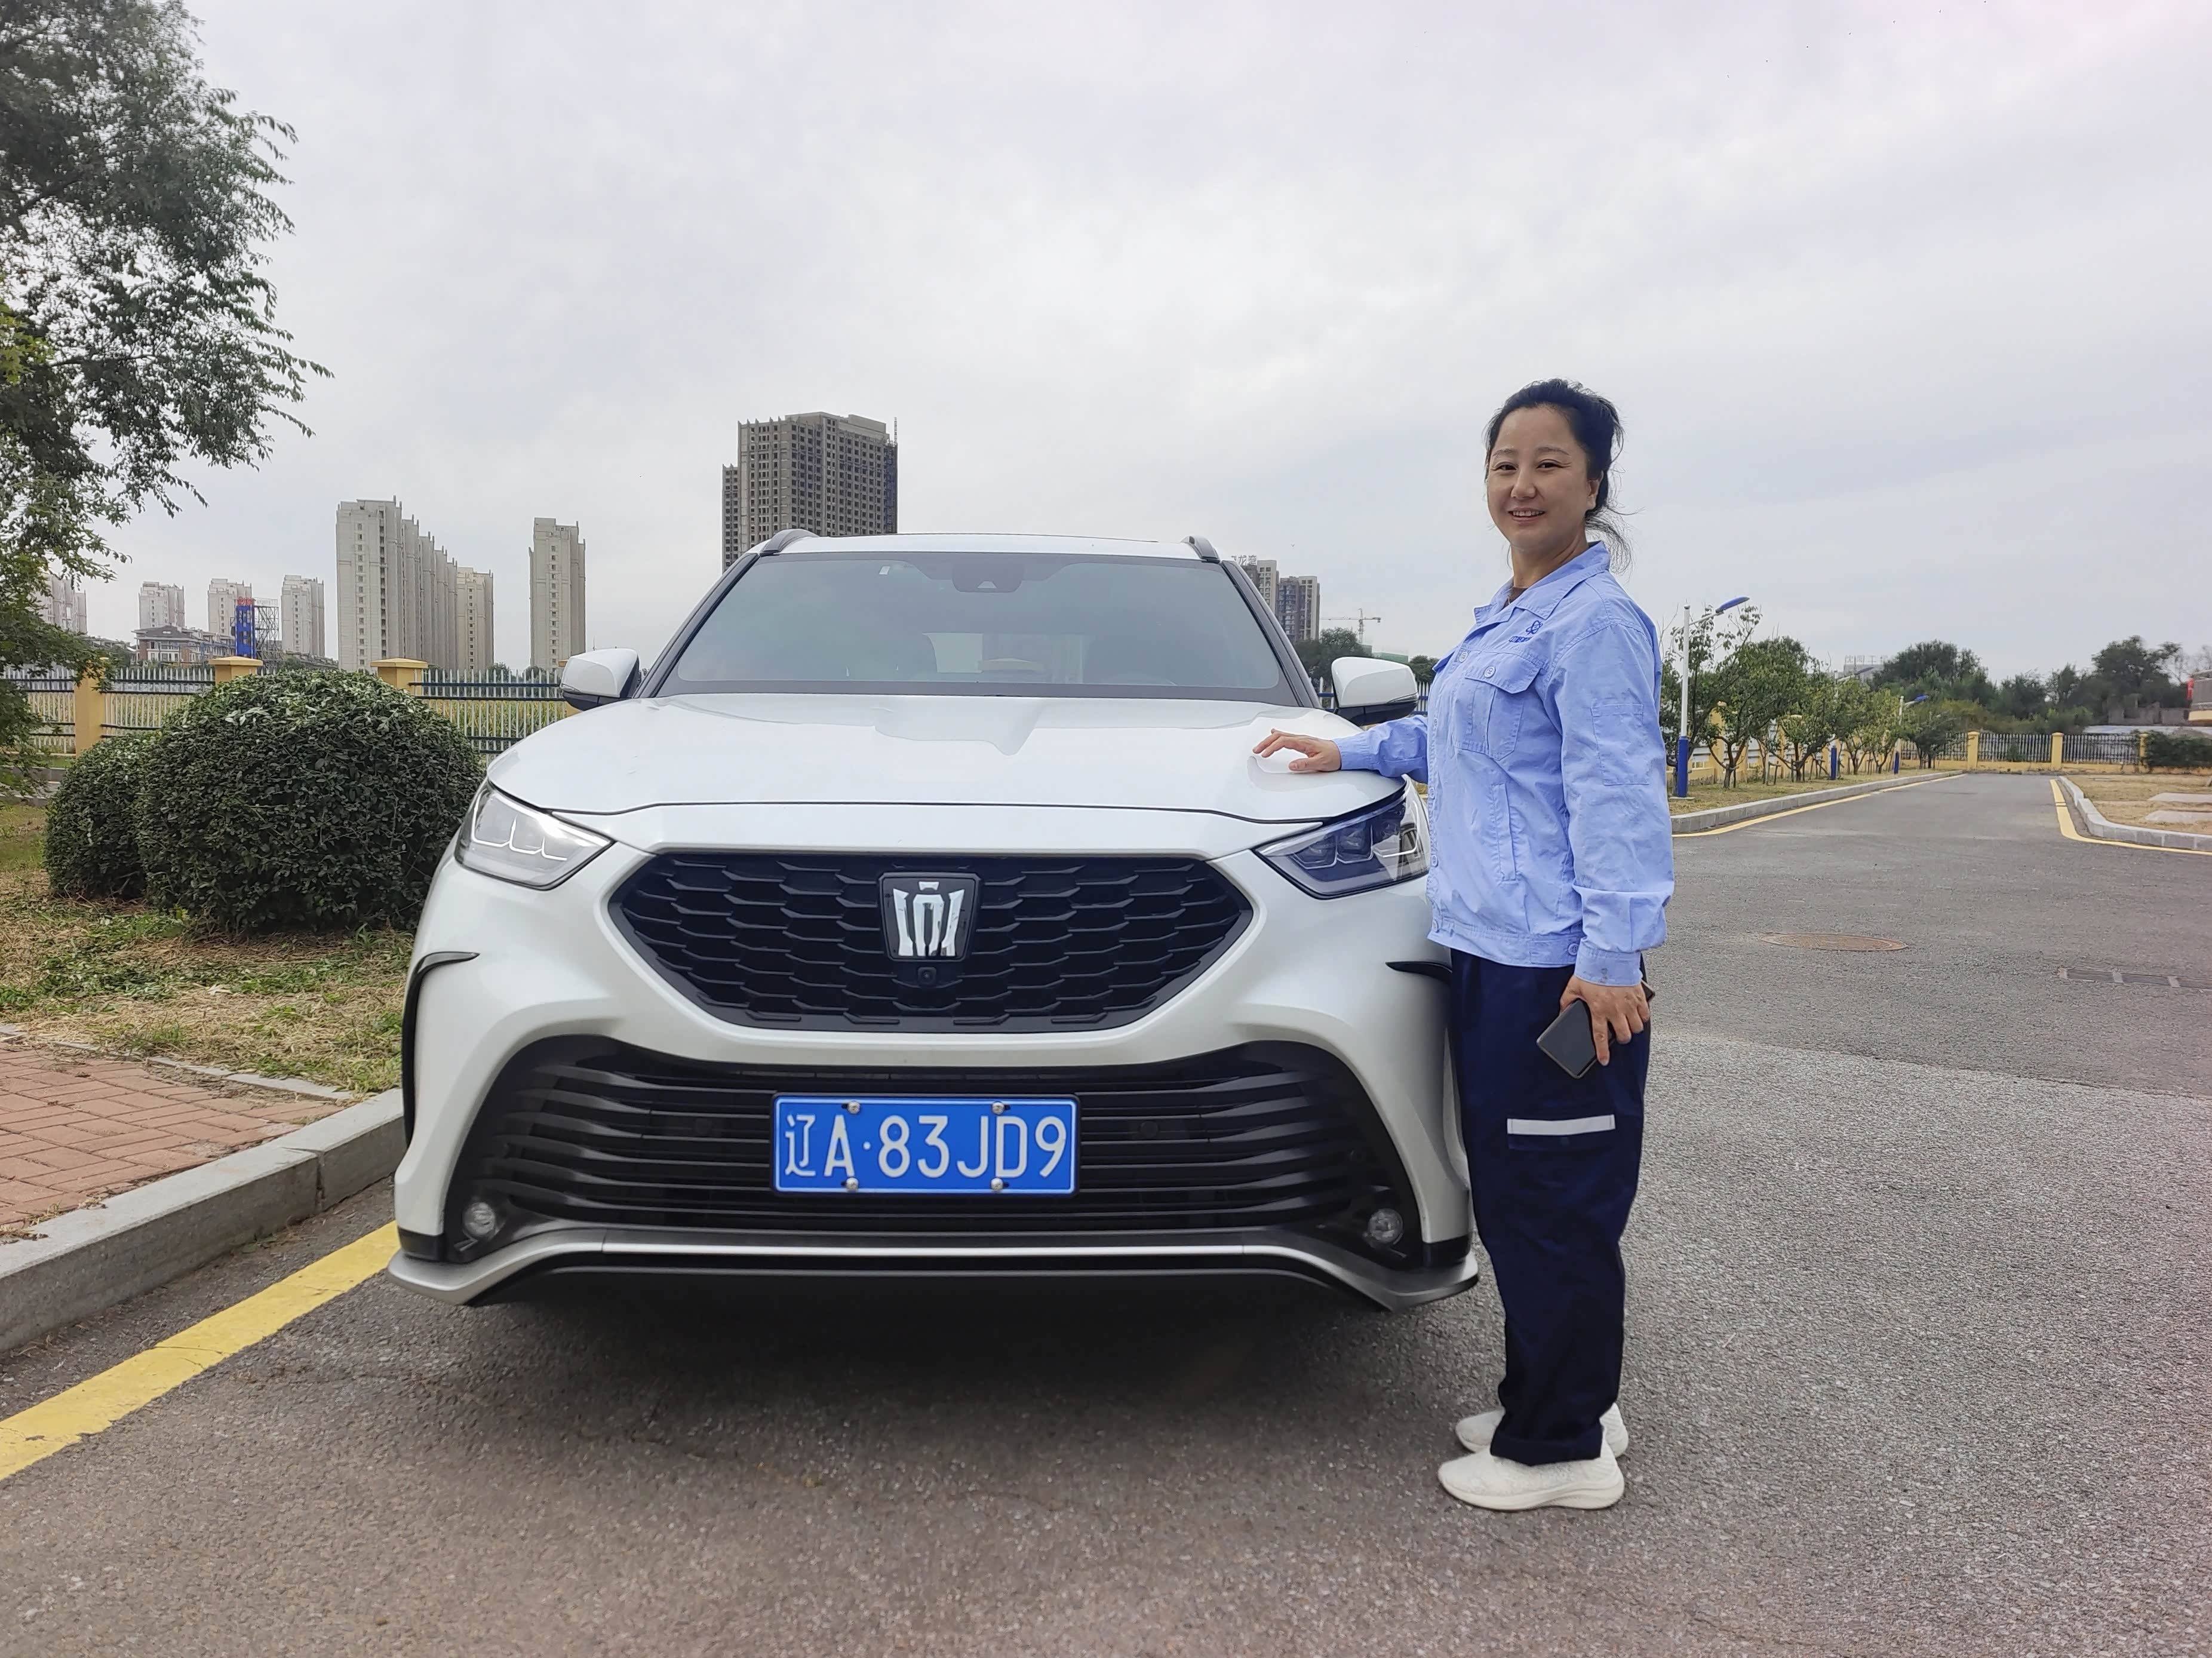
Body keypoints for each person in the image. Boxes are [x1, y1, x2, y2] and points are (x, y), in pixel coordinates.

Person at [1254, 379, 1673, 1512]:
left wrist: (1611, 961)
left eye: (1548, 464)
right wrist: (1348, 751)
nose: (1522, 486)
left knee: (1555, 1200)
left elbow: (1619, 796)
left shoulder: (1595, 624)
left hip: (1560, 969)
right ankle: (1567, 1399)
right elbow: (1458, 737)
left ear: (1594, 482)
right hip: (1492, 950)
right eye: (1504, 465)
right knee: (1521, 1191)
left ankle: (1558, 1452)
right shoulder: (1512, 615)